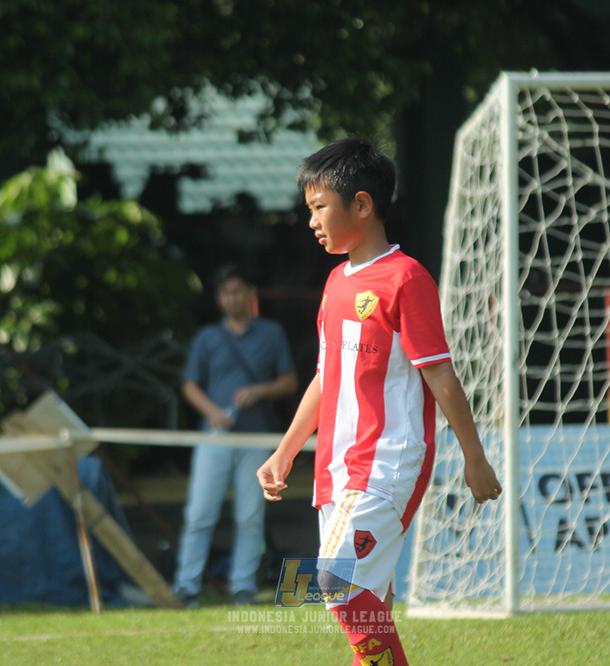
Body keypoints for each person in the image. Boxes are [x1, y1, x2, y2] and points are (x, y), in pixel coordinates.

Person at [257, 137, 502, 665]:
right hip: (336, 469)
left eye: (320, 207)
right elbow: (327, 377)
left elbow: (441, 375)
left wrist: (474, 458)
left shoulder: (406, 279)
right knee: (371, 605)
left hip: (389, 461)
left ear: (362, 205)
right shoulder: (335, 282)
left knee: (332, 580)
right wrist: (286, 450)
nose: (311, 220)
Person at [173, 264, 298, 608]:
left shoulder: (271, 333)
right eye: (225, 293)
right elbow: (188, 385)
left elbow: (290, 381)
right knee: (199, 513)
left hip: (255, 439)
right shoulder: (207, 338)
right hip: (214, 438)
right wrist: (211, 411)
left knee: (249, 516)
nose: (231, 298)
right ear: (219, 298)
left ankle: (243, 586)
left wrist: (259, 391)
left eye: (237, 291)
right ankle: (187, 585)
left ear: (250, 294)